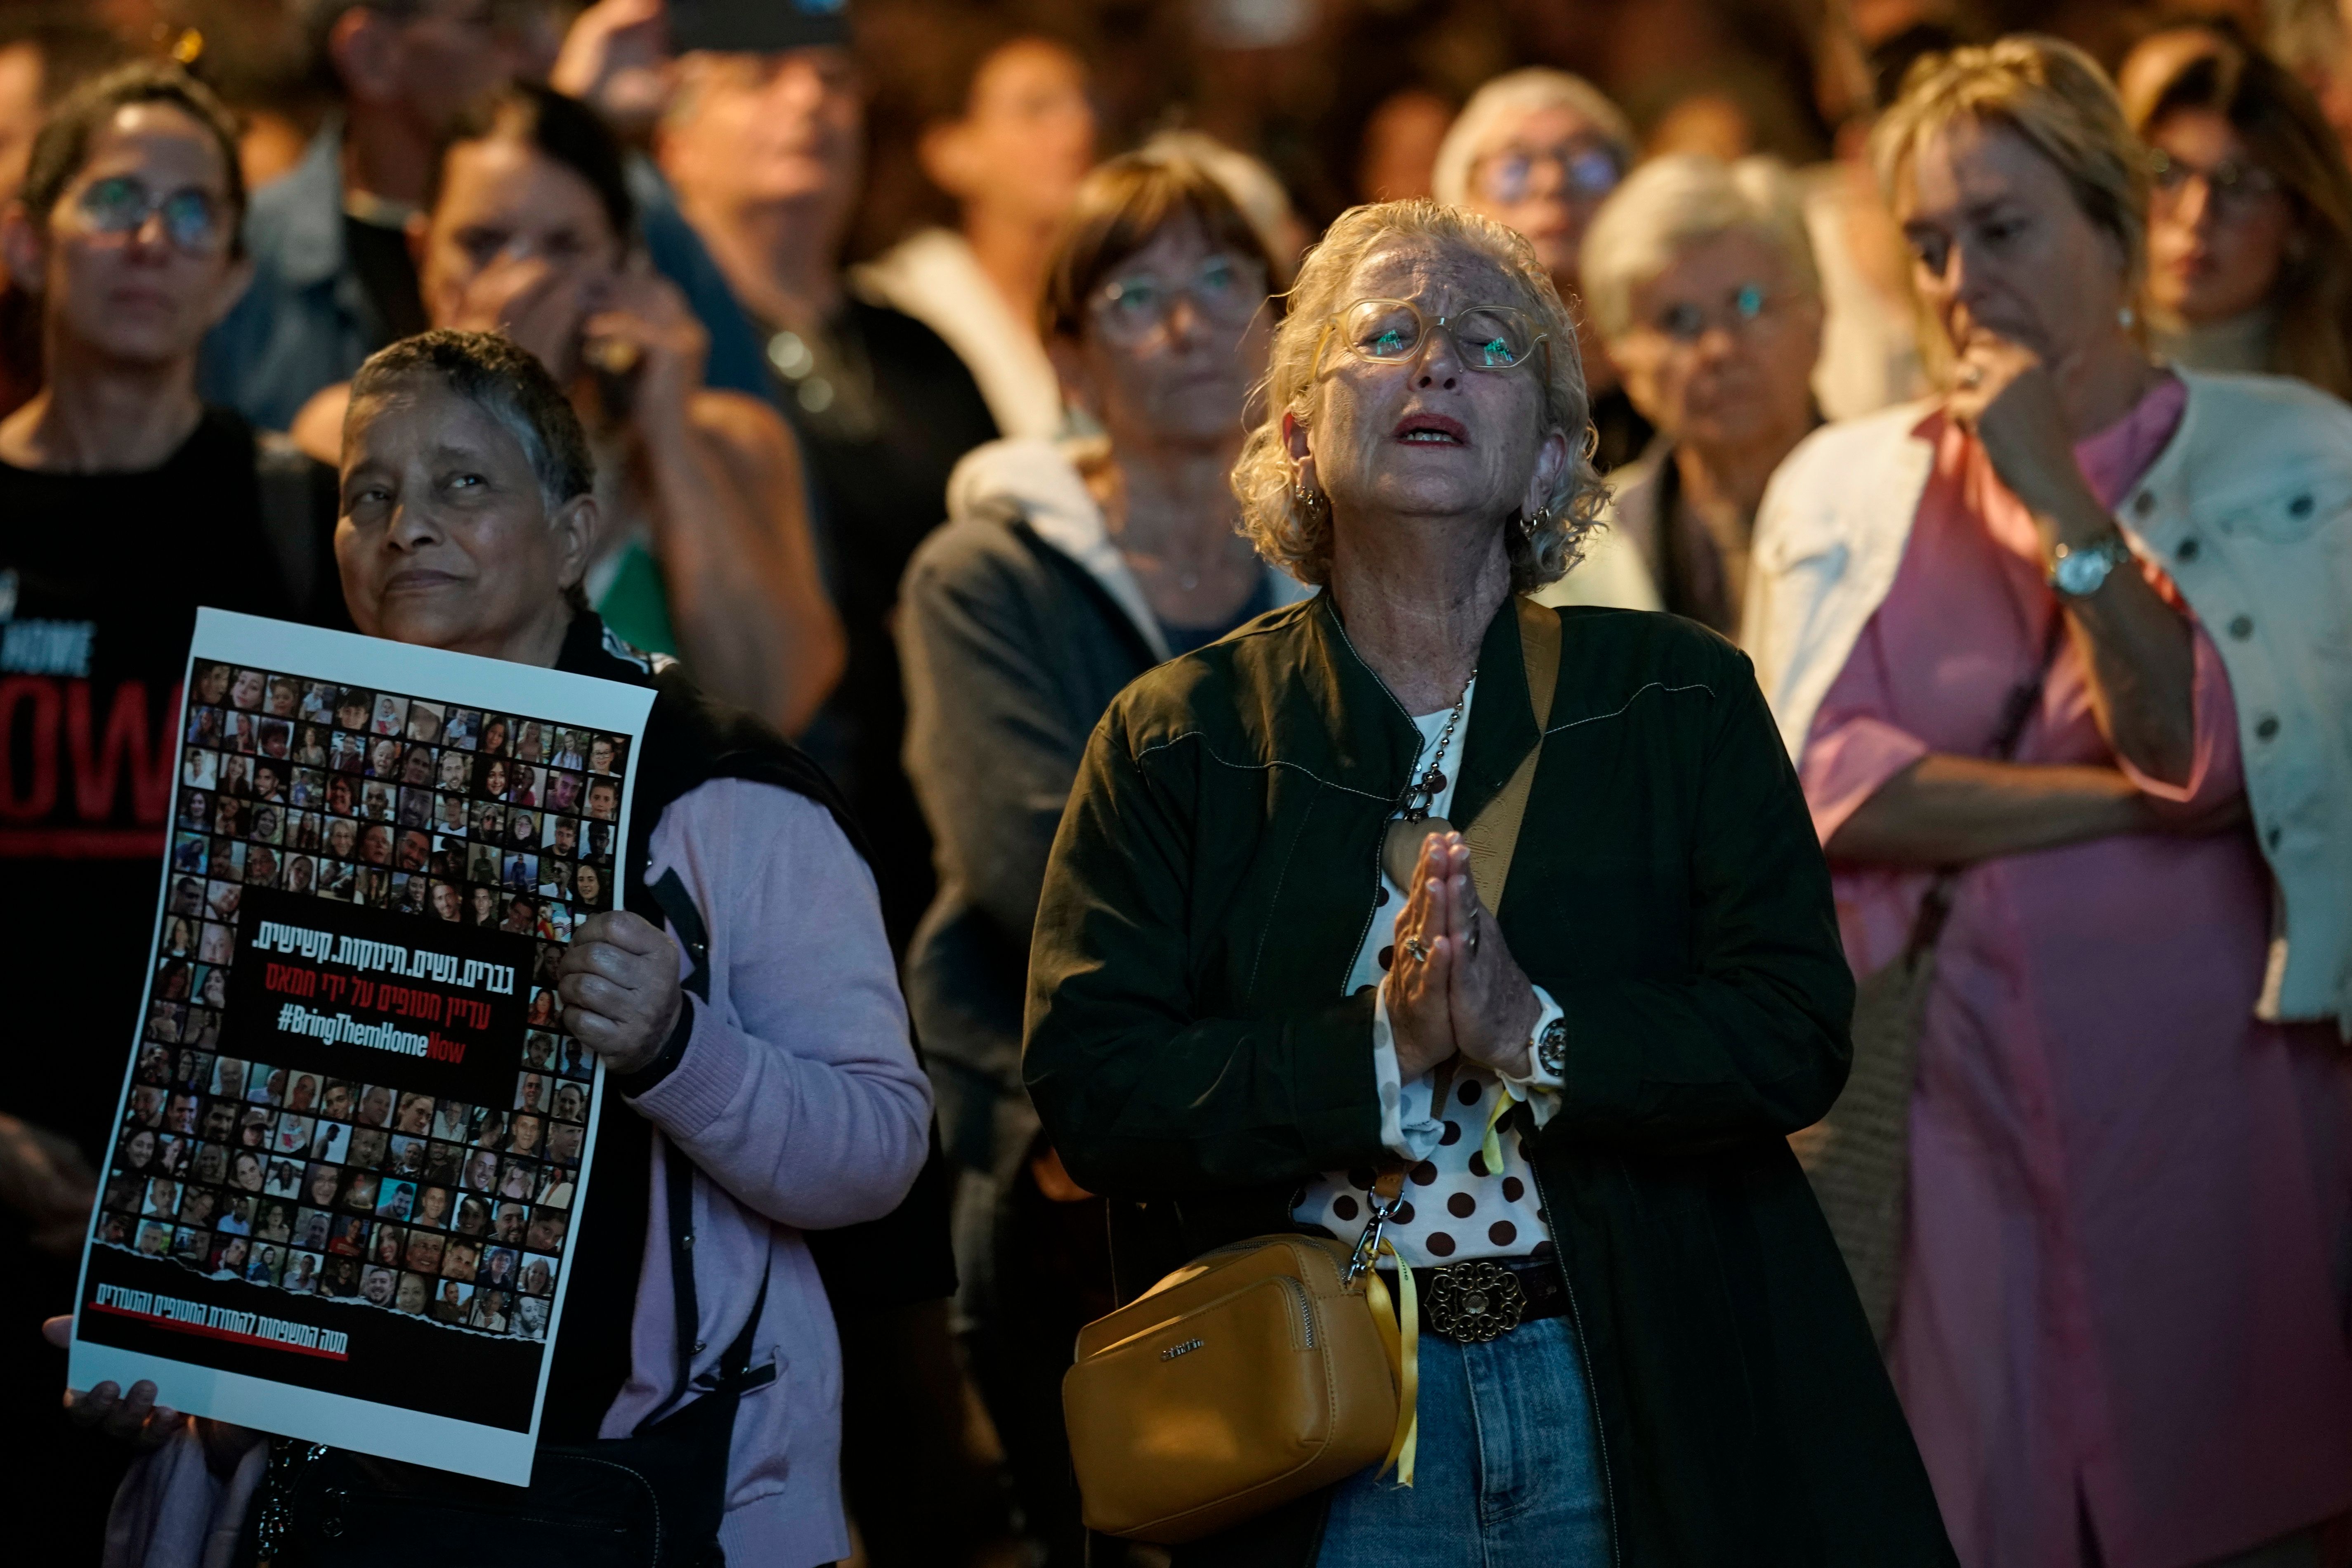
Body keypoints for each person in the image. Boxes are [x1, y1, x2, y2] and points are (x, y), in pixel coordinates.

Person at [1023, 195, 1951, 1566]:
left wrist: (1535, 1034)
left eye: (1491, 345)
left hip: (1625, 1383)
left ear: (1554, 462)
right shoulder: (1182, 736)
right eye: (1386, 333)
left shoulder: (1677, 697)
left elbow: (1796, 1033)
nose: (1436, 363)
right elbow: (1095, 1090)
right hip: (1325, 1413)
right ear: (1294, 435)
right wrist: (1380, 1053)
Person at [66, 328, 934, 1567]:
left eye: (462, 483)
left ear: (575, 535)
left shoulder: (718, 790)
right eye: (370, 492)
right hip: (325, 1495)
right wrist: (169, 1355)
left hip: (622, 1494)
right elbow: (233, 1144)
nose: (405, 524)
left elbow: (879, 1149)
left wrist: (677, 1049)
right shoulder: (280, 774)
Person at [1743, 36, 2352, 1568]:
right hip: (1952, 1123)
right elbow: (1827, 787)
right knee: (1975, 1513)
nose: (1959, 280)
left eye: (2001, 231)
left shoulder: (2292, 458)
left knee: (2239, 1499)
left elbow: (2215, 753)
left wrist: (2067, 508)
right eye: (1930, 244)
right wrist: (2123, 804)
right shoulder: (1848, 482)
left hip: (2210, 1112)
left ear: (2117, 222)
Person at [897, 144, 1306, 1568]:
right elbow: (1031, 864)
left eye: (1222, 282)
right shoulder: (987, 574)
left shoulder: (1350, 568)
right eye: (1138, 295)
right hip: (1063, 1143)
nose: (1191, 322)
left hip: (1312, 1152)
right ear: (1068, 354)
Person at [0, 59, 350, 1559]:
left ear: (230, 269)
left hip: (227, 1213)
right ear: (27, 239)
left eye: (193, 209)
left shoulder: (300, 515)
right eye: (115, 200)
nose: (152, 238)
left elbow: (356, 891)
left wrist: (213, 1198)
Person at [287, 83, 843, 735]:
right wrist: (485, 402)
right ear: (423, 254)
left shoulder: (731, 444)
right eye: (484, 244)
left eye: (564, 248)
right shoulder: (344, 436)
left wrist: (667, 431)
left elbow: (772, 705)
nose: (525, 282)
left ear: (626, 261)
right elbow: (413, 701)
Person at [656, 19, 1000, 952]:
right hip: (741, 836)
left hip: (942, 827)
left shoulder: (920, 348)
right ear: (673, 135)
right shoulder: (658, 359)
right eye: (760, 74)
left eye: (833, 77)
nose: (809, 99)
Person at [199, 0, 521, 430]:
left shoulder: (575, 231)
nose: (542, 51)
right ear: (371, 55)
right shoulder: (241, 255)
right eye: (483, 21)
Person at [1542, 153, 1825, 637]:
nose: (1719, 348)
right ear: (1624, 361)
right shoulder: (1575, 567)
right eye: (1679, 320)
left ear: (1818, 312)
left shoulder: (1917, 504)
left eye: (1749, 303)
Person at [855, 24, 1096, 441]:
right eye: (1036, 109)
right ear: (952, 153)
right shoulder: (904, 308)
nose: (1077, 133)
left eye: (1088, 103)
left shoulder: (1114, 293)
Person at [1431, 69, 1651, 470]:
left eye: (1586, 164)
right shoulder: (1437, 383)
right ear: (1460, 204)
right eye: (1514, 169)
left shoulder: (1673, 365)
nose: (1553, 182)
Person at [2119, 22, 2352, 397]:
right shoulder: (2059, 376)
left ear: (2301, 221)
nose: (2196, 215)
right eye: (2166, 172)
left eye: (2237, 184)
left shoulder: (2332, 411)